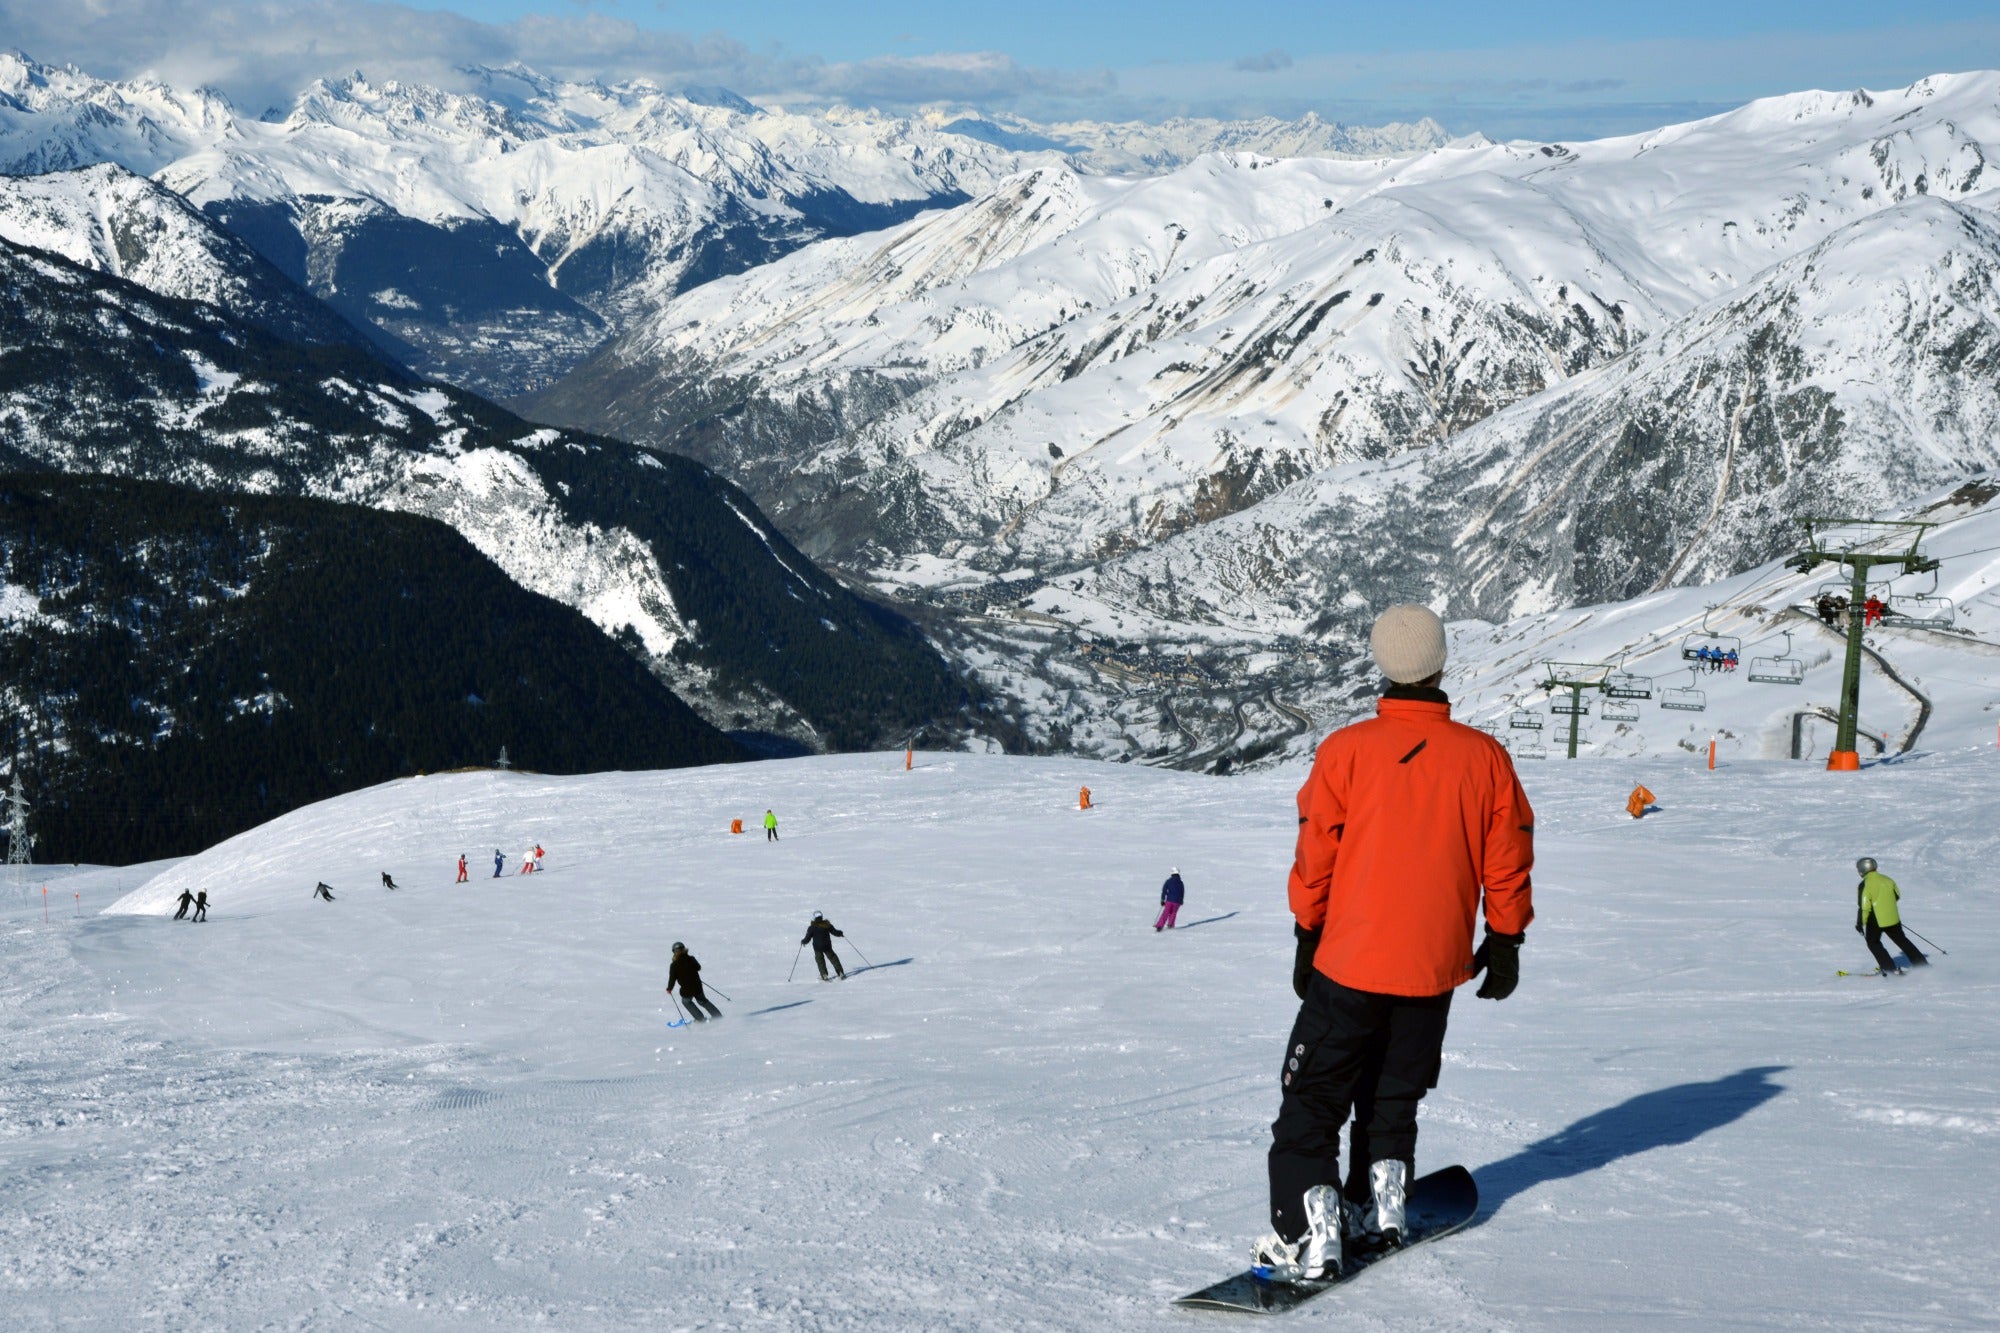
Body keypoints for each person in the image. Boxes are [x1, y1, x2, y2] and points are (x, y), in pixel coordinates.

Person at [1253, 603, 1534, 1284]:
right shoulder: (1485, 758)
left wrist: (1306, 929)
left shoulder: (1347, 751)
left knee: (1312, 1099)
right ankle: (1382, 1203)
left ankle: (1304, 1233)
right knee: (1393, 1092)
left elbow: (1316, 851)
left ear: (1383, 665)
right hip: (1433, 968)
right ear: (1440, 664)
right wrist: (1504, 939)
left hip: (1350, 961)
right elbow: (1508, 855)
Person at [1856, 857, 1928, 975]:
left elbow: (1864, 907)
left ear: (1862, 870)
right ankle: (1921, 963)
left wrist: (1860, 923)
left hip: (1875, 921)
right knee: (1902, 940)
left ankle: (1889, 968)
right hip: (1893, 918)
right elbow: (1896, 895)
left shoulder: (1865, 884)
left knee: (1873, 943)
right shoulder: (1888, 879)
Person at [666, 942, 724, 1020]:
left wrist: (669, 988)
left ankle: (700, 1018)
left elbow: (672, 979)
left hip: (687, 989)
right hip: (697, 986)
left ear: (674, 952)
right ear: (684, 949)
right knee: (702, 1001)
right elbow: (698, 967)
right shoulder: (691, 958)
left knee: (686, 1002)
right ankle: (718, 1016)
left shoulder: (674, 965)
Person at [802, 912, 847, 980]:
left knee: (820, 960)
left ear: (814, 918)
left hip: (817, 948)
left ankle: (824, 975)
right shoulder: (827, 925)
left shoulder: (812, 927)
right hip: (827, 946)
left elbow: (808, 937)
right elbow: (834, 932)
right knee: (833, 958)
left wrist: (803, 941)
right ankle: (840, 972)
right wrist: (840, 933)